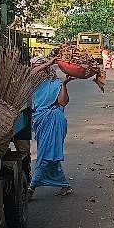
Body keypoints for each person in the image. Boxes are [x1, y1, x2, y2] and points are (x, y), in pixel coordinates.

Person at [27, 56, 74, 199]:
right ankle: (64, 185)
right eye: (38, 64)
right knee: (49, 154)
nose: (43, 67)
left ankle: (32, 187)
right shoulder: (32, 82)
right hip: (40, 119)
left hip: (55, 119)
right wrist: (47, 63)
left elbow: (63, 102)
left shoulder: (56, 82)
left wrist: (64, 84)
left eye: (44, 64)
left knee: (45, 155)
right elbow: (31, 73)